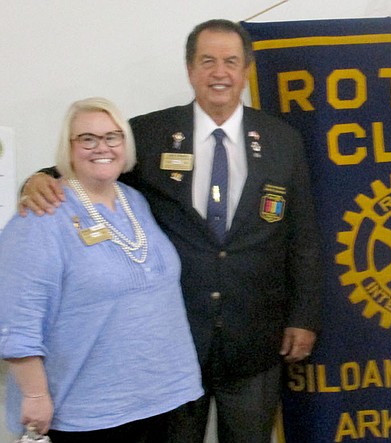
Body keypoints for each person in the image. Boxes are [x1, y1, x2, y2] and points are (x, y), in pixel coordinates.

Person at [18, 19, 323, 443]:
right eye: (208, 61)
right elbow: (88, 162)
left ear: (247, 71)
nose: (220, 72)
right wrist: (35, 179)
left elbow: (302, 238)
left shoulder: (281, 140)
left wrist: (303, 317)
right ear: (190, 69)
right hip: (171, 350)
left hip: (254, 342)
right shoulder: (150, 133)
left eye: (231, 62)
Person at [1, 97, 203, 442]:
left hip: (165, 397)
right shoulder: (40, 217)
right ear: (68, 147)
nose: (102, 147)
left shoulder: (134, 201)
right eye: (88, 139)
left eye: (112, 137)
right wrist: (34, 395)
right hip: (90, 411)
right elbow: (17, 319)